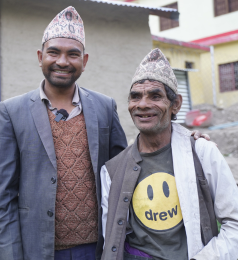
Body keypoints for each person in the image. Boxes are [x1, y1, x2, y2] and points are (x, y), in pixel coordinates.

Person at [0, 6, 128, 260]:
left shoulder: (105, 107)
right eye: (53, 52)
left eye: (73, 54)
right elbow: (4, 196)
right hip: (40, 250)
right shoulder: (12, 111)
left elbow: (126, 171)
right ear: (40, 56)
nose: (62, 61)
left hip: (97, 249)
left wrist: (186, 140)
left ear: (84, 62)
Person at [100, 48, 238, 260]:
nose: (143, 104)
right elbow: (113, 238)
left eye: (155, 96)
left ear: (176, 104)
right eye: (135, 96)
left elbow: (234, 223)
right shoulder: (113, 170)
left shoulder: (202, 153)